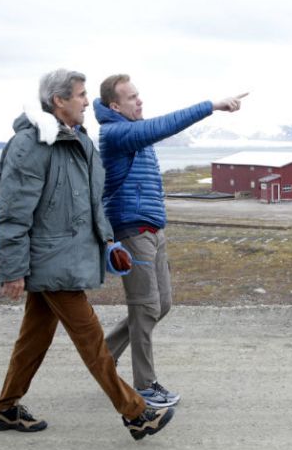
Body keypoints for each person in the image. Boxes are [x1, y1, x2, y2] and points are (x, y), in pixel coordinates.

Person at [0, 69, 174, 441]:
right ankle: (136, 413)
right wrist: (12, 269)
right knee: (91, 338)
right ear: (59, 101)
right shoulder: (31, 145)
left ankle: (7, 407)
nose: (87, 101)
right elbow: (12, 211)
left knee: (33, 339)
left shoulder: (81, 142)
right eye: (80, 95)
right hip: (50, 261)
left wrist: (109, 242)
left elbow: (93, 203)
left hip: (69, 260)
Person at [94, 74, 247, 407]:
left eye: (139, 95)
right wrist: (212, 105)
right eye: (131, 98)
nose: (140, 101)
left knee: (161, 305)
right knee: (145, 307)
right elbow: (163, 127)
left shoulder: (131, 130)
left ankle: (101, 357)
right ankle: (144, 386)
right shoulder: (116, 133)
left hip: (153, 230)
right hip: (132, 231)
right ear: (114, 106)